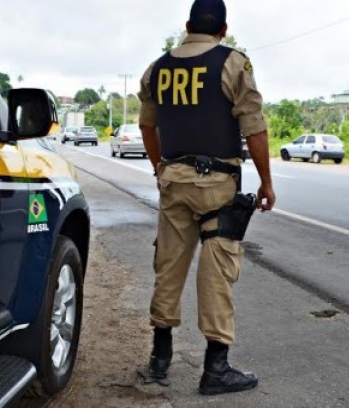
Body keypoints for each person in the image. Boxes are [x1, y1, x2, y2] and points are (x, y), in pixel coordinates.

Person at [137, 0, 276, 396]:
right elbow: (254, 128)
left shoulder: (157, 68)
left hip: (173, 181)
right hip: (216, 183)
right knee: (217, 273)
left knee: (168, 266)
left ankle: (159, 360)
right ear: (224, 29)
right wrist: (266, 182)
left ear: (187, 25)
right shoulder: (233, 63)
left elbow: (148, 126)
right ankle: (216, 369)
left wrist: (160, 168)